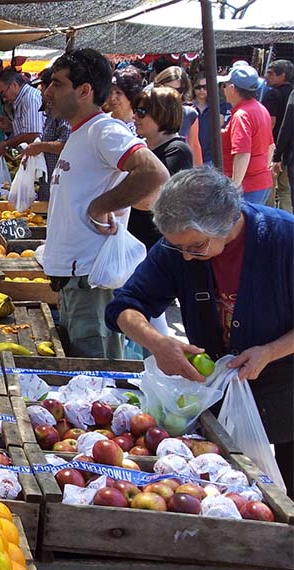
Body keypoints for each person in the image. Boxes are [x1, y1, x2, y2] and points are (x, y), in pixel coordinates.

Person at [106, 167, 294, 494]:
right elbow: (124, 305)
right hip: (217, 398)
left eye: (196, 246)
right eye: (179, 248)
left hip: (286, 390)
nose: (188, 257)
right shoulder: (178, 249)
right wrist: (157, 342)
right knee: (227, 493)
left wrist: (270, 351)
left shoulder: (283, 240)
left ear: (228, 221)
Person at [40, 48, 169, 359]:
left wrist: (100, 206)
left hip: (91, 280)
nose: (48, 92)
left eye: (57, 84)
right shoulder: (81, 133)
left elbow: (154, 172)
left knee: (97, 375)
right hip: (77, 280)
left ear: (84, 91)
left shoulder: (104, 130)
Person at [129, 87, 194, 250]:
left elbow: (152, 198)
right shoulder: (141, 147)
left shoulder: (177, 150)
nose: (134, 117)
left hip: (154, 244)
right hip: (133, 239)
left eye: (141, 112)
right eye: (135, 111)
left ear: (162, 114)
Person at [222, 65, 276, 205]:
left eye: (225, 85)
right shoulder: (260, 108)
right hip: (260, 183)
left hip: (248, 187)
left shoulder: (242, 115)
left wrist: (234, 187)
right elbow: (270, 146)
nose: (224, 89)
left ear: (232, 88)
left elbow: (242, 153)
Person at [20, 69, 71, 202]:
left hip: (58, 182)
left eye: (42, 87)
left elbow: (65, 144)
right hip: (48, 181)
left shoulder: (63, 113)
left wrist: (39, 146)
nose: (42, 92)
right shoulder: (51, 112)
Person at [153, 66, 203, 165]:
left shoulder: (189, 114)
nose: (174, 94)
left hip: (181, 174)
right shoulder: (147, 113)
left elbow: (194, 148)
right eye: (168, 89)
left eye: (179, 90)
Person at [264, 60, 293, 212]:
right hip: (290, 152)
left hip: (273, 149)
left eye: (270, 73)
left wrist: (268, 150)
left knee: (268, 188)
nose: (266, 76)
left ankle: (270, 221)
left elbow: (271, 122)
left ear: (282, 76)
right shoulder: (292, 93)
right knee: (285, 190)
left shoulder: (272, 95)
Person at [0, 71, 44, 157]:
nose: (4, 100)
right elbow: (27, 129)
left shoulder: (30, 98)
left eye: (4, 95)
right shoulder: (21, 99)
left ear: (14, 85)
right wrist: (11, 126)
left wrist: (6, 144)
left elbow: (33, 134)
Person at [193, 74, 232, 167]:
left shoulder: (219, 104)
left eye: (205, 87)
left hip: (210, 155)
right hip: (192, 153)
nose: (202, 90)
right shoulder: (187, 106)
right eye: (198, 87)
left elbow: (220, 123)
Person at [106, 65, 143, 134]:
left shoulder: (141, 125)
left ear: (131, 95)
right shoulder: (101, 122)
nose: (112, 98)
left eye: (118, 93)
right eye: (109, 92)